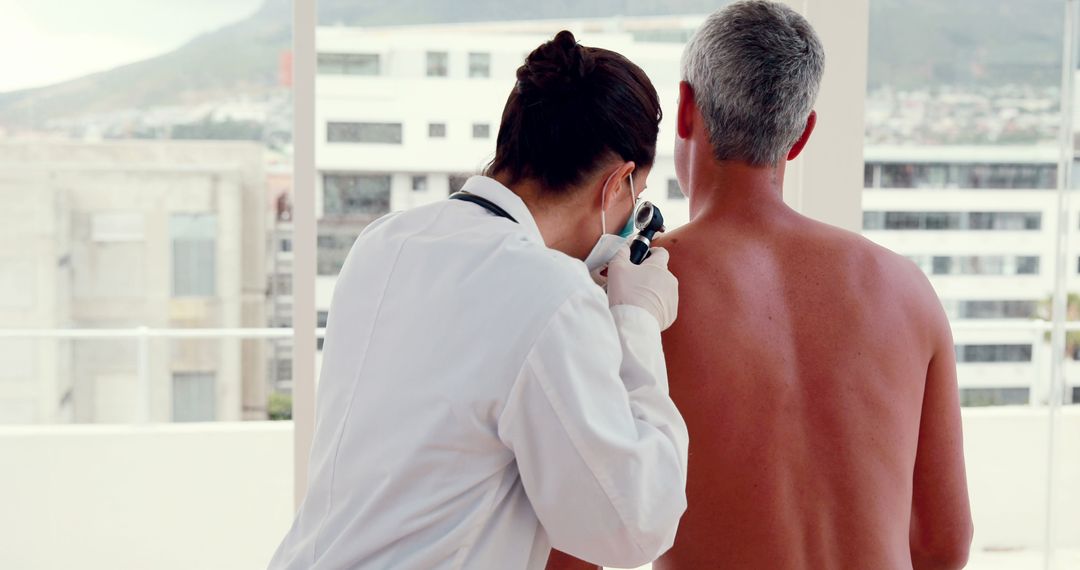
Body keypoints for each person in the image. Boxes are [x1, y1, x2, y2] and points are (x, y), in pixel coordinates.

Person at [549, 2, 973, 569]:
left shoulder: (632, 291)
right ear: (801, 136)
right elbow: (943, 545)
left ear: (685, 111)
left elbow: (573, 553)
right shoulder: (907, 291)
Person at [268, 31, 689, 570]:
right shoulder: (553, 294)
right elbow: (633, 528)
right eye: (638, 200)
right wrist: (636, 322)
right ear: (618, 185)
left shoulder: (386, 240)